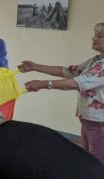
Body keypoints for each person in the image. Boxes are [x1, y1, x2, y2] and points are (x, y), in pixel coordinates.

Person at [19, 22, 104, 162]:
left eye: (99, 36)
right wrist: (35, 67)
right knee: (89, 160)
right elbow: (68, 72)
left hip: (100, 122)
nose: (93, 38)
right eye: (95, 34)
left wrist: (43, 84)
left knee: (97, 163)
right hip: (90, 121)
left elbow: (76, 82)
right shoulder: (95, 61)